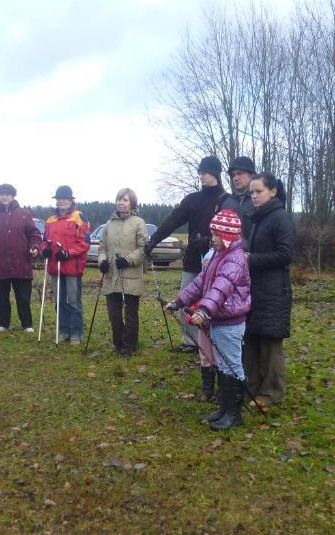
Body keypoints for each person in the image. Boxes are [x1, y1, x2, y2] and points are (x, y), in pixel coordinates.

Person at [167, 209, 252, 431]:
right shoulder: (217, 255)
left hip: (231, 323)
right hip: (218, 320)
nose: (212, 238)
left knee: (232, 365)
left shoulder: (234, 259)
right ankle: (224, 408)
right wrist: (179, 301)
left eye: (216, 235)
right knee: (223, 365)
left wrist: (203, 311)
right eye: (212, 234)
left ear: (227, 236)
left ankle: (235, 414)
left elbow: (220, 288)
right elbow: (200, 282)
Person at [146, 155, 229, 351]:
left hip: (217, 262)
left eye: (204, 171)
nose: (200, 175)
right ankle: (190, 342)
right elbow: (172, 221)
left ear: (215, 173)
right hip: (193, 261)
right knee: (186, 299)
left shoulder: (226, 201)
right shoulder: (192, 200)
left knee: (214, 302)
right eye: (199, 171)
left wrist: (209, 240)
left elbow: (230, 233)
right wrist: (153, 240)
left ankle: (213, 343)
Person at [243, 172, 295, 407]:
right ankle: (251, 387)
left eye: (258, 191)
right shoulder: (258, 218)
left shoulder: (280, 218)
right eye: (252, 192)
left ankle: (272, 392)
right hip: (254, 288)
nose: (254, 196)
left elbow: (286, 255)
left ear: (273, 191)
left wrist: (251, 259)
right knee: (252, 338)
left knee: (270, 342)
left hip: (274, 290)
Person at [0, 183, 41, 333]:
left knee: (23, 298)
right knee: (1, 297)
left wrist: (36, 247)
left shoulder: (24, 214)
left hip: (21, 263)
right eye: (1, 194)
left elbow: (34, 235)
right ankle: (3, 323)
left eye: (7, 194)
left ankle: (27, 324)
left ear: (13, 196)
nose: (4, 197)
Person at [98, 188, 148, 357]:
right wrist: (102, 262)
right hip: (111, 276)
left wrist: (128, 260)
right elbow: (102, 249)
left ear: (132, 203)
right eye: (119, 199)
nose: (121, 202)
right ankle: (118, 342)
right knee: (114, 313)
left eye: (125, 200)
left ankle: (129, 345)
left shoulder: (138, 223)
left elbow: (144, 249)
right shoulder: (108, 225)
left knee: (131, 312)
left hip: (131, 275)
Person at [41, 186, 89, 345]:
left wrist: (69, 253)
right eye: (59, 198)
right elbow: (44, 242)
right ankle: (63, 330)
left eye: (65, 198)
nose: (61, 201)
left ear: (70, 200)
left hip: (72, 267)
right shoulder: (50, 220)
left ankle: (76, 332)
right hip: (55, 267)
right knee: (59, 301)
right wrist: (45, 250)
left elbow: (85, 243)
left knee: (73, 301)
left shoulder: (78, 217)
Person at [220, 156, 256, 241]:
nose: (235, 178)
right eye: (233, 175)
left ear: (251, 175)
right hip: (230, 252)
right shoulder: (227, 203)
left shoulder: (260, 201)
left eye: (239, 173)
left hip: (256, 252)